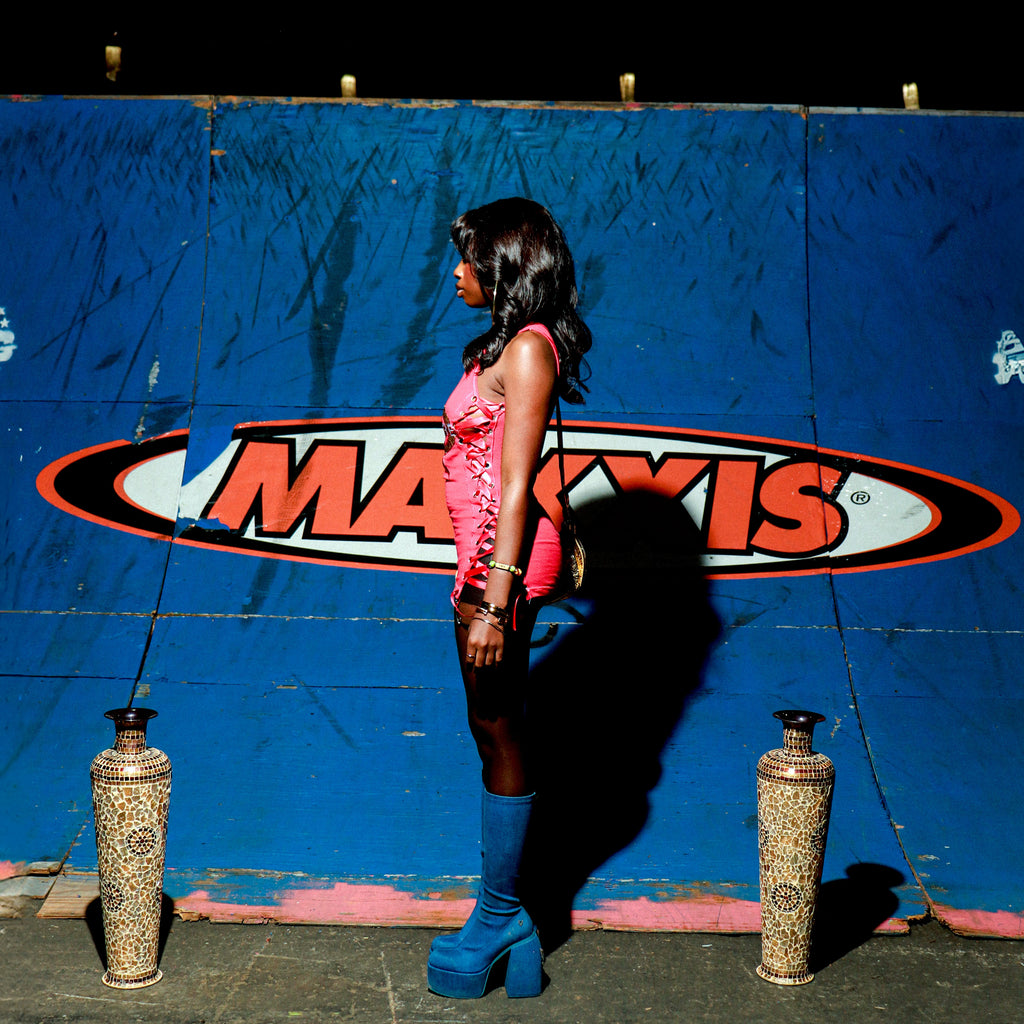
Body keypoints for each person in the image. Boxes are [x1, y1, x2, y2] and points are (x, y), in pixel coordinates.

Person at [427, 197, 592, 999]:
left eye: (467, 258)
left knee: (496, 723)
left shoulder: (528, 351)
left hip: (503, 559)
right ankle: (511, 923)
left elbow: (520, 482)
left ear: (504, 264)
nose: (455, 272)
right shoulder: (501, 345)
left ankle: (501, 914)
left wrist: (495, 600)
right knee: (491, 723)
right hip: (486, 554)